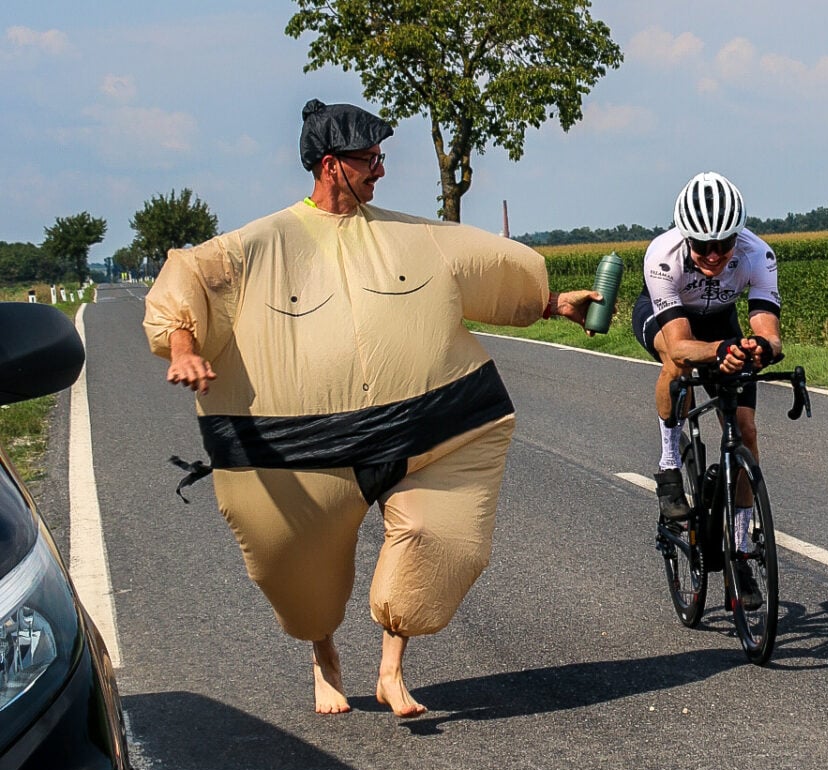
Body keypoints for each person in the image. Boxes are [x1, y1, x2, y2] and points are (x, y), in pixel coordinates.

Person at [143, 99, 599, 717]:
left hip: (427, 429)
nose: (380, 170)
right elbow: (188, 281)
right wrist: (183, 344)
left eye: (381, 157)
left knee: (435, 539)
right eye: (369, 160)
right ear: (331, 166)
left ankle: (391, 670)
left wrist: (549, 303)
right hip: (303, 449)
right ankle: (324, 653)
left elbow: (484, 266)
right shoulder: (259, 245)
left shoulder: (409, 237)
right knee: (305, 578)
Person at [631, 172, 783, 607]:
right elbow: (680, 342)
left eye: (724, 244)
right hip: (671, 320)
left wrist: (757, 349)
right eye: (703, 246)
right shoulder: (664, 255)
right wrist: (721, 350)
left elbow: (769, 332)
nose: (714, 255)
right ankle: (668, 466)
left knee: (746, 431)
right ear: (687, 238)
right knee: (676, 365)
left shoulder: (758, 254)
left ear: (739, 237)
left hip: (721, 321)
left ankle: (738, 550)